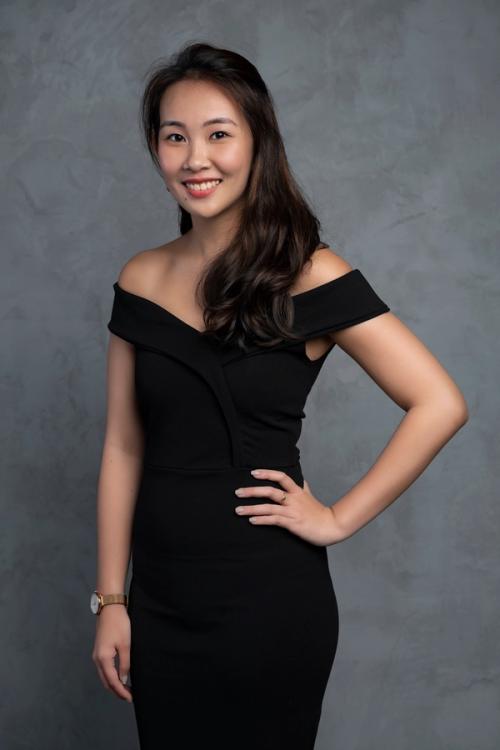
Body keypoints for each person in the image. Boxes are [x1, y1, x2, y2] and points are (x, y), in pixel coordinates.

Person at [91, 42, 468, 749]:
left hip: (268, 601)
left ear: (258, 142)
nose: (195, 158)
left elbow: (440, 402)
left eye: (218, 134)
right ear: (156, 149)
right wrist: (111, 598)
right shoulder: (140, 277)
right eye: (175, 137)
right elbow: (122, 444)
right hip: (160, 601)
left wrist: (337, 519)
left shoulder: (312, 274)